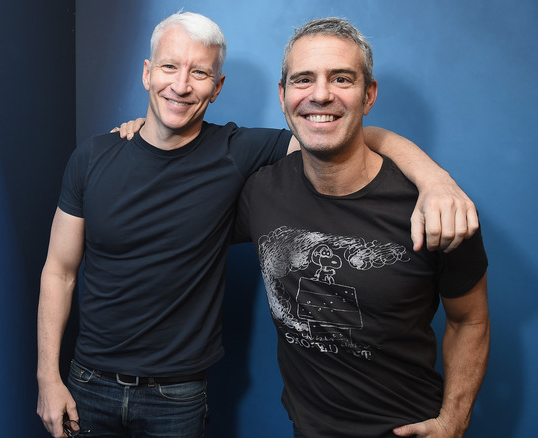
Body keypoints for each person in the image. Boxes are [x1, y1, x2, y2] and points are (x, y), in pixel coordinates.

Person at [38, 11, 478, 438]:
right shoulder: (95, 157)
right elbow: (59, 270)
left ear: (217, 87)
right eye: (169, 67)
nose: (180, 85)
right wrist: (47, 378)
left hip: (177, 394)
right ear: (147, 73)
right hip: (89, 382)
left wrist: (433, 179)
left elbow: (339, 132)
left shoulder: (239, 152)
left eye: (200, 73)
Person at [235, 17, 489, 438]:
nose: (320, 94)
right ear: (282, 96)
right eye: (303, 80)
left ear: (368, 95)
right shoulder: (260, 192)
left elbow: (470, 322)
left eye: (341, 79)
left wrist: (454, 422)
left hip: (408, 430)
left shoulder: (437, 206)